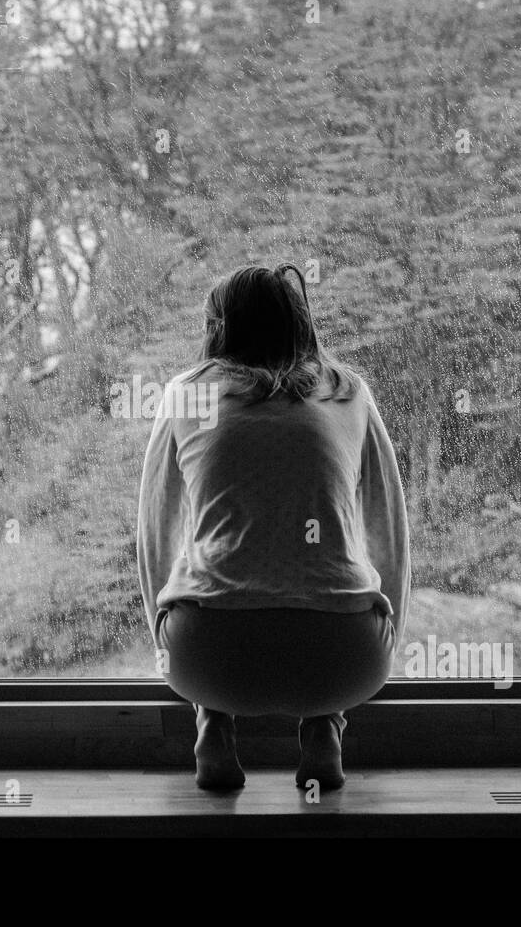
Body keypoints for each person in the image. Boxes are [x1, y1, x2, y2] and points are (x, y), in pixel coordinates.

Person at [137, 263, 410, 791]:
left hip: (209, 656)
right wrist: (388, 633)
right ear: (300, 323)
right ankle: (325, 727)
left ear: (218, 327)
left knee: (205, 573)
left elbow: (156, 529)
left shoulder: (186, 393)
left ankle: (212, 724)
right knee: (322, 573)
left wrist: (164, 635)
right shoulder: (349, 393)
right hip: (344, 657)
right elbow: (387, 526)